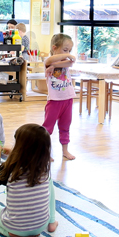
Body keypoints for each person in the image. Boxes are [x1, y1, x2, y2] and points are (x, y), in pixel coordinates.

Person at [0, 123, 58, 237]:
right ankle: (52, 221)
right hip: (40, 226)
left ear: (20, 148)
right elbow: (31, 156)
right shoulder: (44, 169)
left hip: (15, 227)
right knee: (50, 182)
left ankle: (11, 233)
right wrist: (14, 153)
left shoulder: (12, 170)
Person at [43, 33, 78, 161]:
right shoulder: (47, 61)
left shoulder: (63, 62)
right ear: (54, 48)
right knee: (47, 128)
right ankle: (44, 152)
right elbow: (49, 61)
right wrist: (65, 57)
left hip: (68, 99)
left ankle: (65, 150)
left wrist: (56, 65)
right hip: (54, 101)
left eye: (69, 50)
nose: (68, 53)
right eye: (65, 49)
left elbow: (71, 63)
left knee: (65, 126)